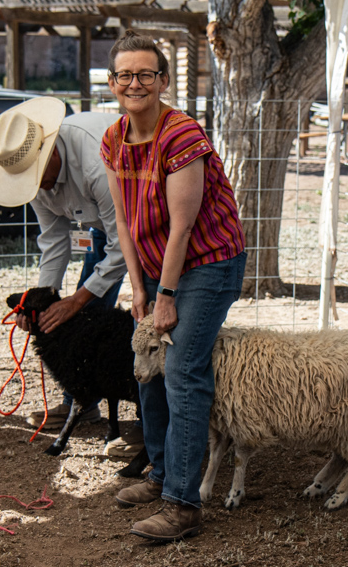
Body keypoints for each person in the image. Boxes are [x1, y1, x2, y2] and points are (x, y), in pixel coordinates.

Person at [102, 30, 247, 542]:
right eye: (125, 74)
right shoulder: (114, 138)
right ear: (113, 82)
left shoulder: (181, 135)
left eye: (145, 74)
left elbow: (183, 225)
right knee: (148, 363)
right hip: (158, 267)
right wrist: (139, 287)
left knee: (183, 368)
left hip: (208, 262)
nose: (134, 83)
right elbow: (122, 220)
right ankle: (161, 472)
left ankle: (183, 506)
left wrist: (165, 297)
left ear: (163, 81)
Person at [0, 97, 138, 451]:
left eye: (36, 178)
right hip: (103, 224)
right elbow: (54, 243)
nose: (38, 189)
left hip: (146, 222)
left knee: (140, 310)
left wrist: (76, 301)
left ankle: (152, 413)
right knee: (83, 316)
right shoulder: (33, 180)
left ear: (50, 154)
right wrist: (39, 304)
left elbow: (126, 245)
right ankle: (81, 398)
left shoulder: (96, 162)